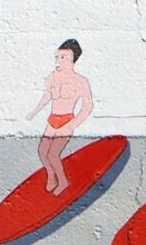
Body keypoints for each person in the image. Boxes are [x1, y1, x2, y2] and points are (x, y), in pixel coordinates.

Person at [22, 39, 93, 194]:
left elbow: (87, 106)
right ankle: (51, 176)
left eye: (63, 57)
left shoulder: (80, 81)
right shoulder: (52, 77)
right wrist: (34, 112)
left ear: (73, 59)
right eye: (57, 57)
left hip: (67, 121)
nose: (59, 61)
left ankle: (63, 181)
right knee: (42, 152)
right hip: (52, 120)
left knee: (53, 154)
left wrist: (72, 125)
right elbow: (46, 97)